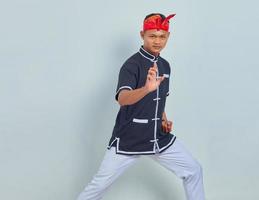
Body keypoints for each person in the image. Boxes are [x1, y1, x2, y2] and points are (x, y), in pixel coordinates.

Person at [77, 13, 205, 200]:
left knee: (194, 170)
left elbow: (160, 99)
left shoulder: (165, 66)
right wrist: (146, 88)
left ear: (168, 37)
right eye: (152, 36)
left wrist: (163, 119)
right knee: (99, 185)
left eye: (162, 36)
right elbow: (123, 98)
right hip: (130, 138)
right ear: (142, 35)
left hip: (157, 138)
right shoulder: (132, 65)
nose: (157, 41)